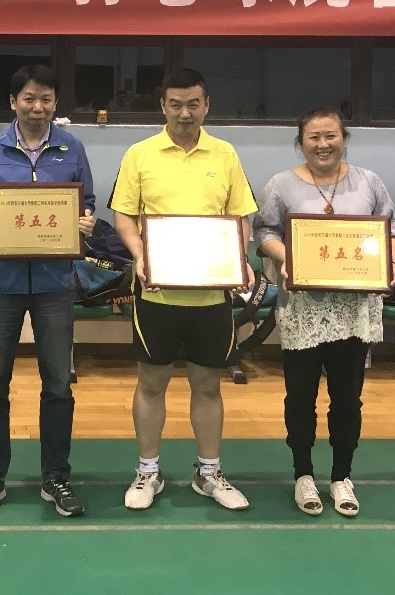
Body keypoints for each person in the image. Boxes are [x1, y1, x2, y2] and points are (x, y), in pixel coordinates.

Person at [110, 68, 258, 512]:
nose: (184, 113)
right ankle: (148, 472)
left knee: (208, 385)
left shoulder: (225, 153)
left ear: (206, 106)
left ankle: (208, 473)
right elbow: (124, 215)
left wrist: (238, 259)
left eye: (193, 104)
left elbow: (240, 216)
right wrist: (140, 254)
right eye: (175, 104)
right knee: (151, 382)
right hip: (156, 293)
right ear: (163, 106)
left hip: (211, 296)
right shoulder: (140, 154)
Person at [252, 107, 395, 518]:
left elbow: (391, 230)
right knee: (300, 398)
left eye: (331, 136)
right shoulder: (280, 185)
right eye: (314, 137)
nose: (323, 144)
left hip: (353, 309)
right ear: (301, 142)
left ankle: (341, 476)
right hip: (303, 309)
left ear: (344, 139)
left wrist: (390, 263)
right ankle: (302, 474)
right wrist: (288, 257)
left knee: (347, 399)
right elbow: (263, 231)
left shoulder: (369, 181)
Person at [0, 64, 96, 518]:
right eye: (29, 99)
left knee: (58, 384)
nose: (38, 107)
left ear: (55, 104)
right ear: (13, 102)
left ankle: (56, 477)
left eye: (46, 99)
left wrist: (86, 221)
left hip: (55, 283)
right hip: (0, 283)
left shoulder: (72, 147)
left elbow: (86, 201)